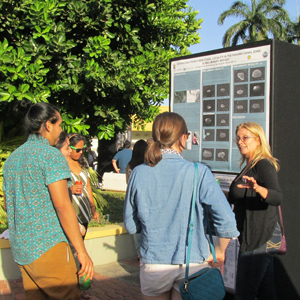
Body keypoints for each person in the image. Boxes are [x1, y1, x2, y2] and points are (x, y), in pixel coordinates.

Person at [124, 112, 239, 300]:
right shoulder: (199, 172)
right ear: (183, 138)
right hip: (193, 262)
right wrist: (218, 252)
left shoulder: (138, 173)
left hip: (154, 262)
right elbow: (227, 221)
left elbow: (130, 224)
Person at [2, 103, 94, 299]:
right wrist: (82, 252)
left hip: (23, 251)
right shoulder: (51, 156)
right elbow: (62, 206)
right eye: (59, 124)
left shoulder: (12, 159)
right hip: (49, 246)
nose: (61, 130)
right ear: (48, 125)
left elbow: (6, 204)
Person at [228, 122, 283, 300]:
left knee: (244, 293)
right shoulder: (248, 166)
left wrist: (259, 189)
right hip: (252, 236)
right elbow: (237, 197)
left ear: (258, 140)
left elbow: (277, 197)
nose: (240, 142)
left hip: (261, 237)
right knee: (266, 291)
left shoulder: (263, 164)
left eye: (245, 137)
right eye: (238, 138)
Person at [68, 133, 100, 299]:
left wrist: (93, 209)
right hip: (70, 215)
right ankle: (72, 288)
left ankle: (80, 287)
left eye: (83, 149)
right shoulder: (61, 167)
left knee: (79, 250)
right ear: (69, 148)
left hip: (83, 214)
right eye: (77, 149)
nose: (80, 153)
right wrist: (69, 190)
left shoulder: (83, 167)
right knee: (74, 250)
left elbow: (88, 191)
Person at [125, 139, 148, 260]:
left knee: (135, 223)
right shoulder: (146, 166)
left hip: (133, 198)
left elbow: (127, 182)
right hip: (144, 198)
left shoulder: (130, 165)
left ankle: (139, 252)